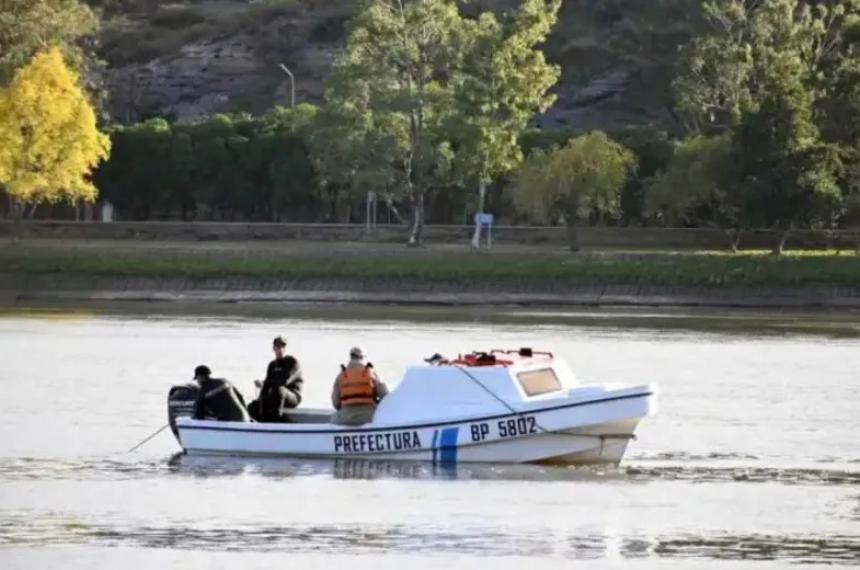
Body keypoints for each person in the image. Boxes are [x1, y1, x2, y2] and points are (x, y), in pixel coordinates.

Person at [248, 336, 303, 423]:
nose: (280, 349)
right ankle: (263, 422)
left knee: (279, 389)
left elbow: (284, 381)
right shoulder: (272, 365)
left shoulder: (293, 362)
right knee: (253, 406)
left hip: (293, 396)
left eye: (283, 346)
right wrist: (260, 400)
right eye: (278, 346)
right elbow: (266, 386)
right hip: (277, 396)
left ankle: (278, 418)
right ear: (274, 348)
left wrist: (263, 382)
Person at [331, 346, 389, 426]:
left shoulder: (341, 376)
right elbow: (385, 396)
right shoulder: (372, 373)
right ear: (363, 357)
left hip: (345, 419)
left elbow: (335, 403)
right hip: (369, 418)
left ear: (350, 357)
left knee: (333, 417)